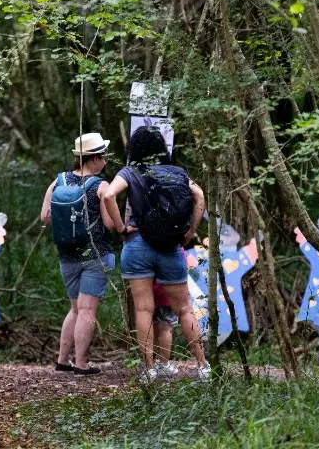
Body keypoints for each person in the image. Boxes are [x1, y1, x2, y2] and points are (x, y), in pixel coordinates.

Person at [102, 125, 209, 381]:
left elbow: (108, 195)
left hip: (137, 244)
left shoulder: (130, 171)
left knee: (144, 310)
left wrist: (121, 228)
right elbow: (200, 196)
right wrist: (189, 231)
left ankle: (149, 370)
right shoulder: (178, 172)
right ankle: (203, 366)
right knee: (184, 309)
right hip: (171, 246)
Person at [40, 132, 115, 376]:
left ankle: (62, 361)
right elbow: (109, 223)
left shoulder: (59, 181)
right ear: (93, 159)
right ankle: (81, 363)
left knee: (75, 309)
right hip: (94, 255)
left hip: (66, 256)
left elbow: (45, 216)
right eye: (103, 156)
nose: (105, 161)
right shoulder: (100, 186)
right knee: (87, 311)